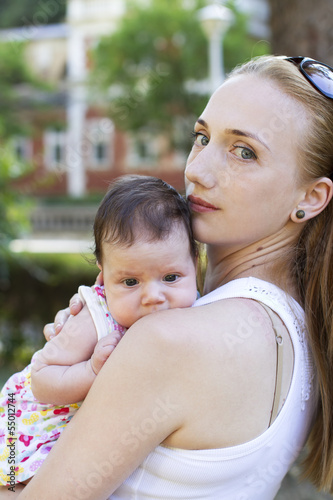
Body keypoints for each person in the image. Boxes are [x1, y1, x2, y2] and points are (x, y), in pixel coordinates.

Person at [8, 54, 333, 499]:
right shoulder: (305, 335)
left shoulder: (169, 341)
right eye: (202, 138)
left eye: (244, 152)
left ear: (311, 197)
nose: (197, 172)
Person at [0, 175, 198, 489]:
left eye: (171, 277)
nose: (153, 296)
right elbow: (41, 379)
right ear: (103, 280)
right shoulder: (94, 321)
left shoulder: (199, 310)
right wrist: (93, 371)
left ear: (195, 266)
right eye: (131, 282)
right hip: (25, 423)